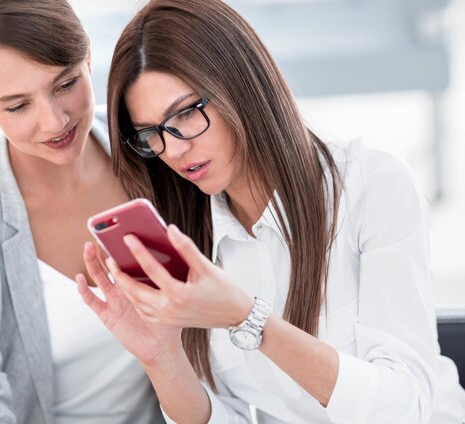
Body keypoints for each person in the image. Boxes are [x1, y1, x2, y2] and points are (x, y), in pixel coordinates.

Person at [75, 0, 465, 422]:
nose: (174, 149)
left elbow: (405, 409)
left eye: (186, 113)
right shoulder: (192, 237)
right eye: (151, 134)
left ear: (240, 83)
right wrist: (161, 358)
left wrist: (247, 318)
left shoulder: (372, 184)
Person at [0, 0, 164, 422]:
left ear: (87, 56)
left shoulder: (155, 149)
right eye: (17, 106)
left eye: (65, 84)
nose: (54, 122)